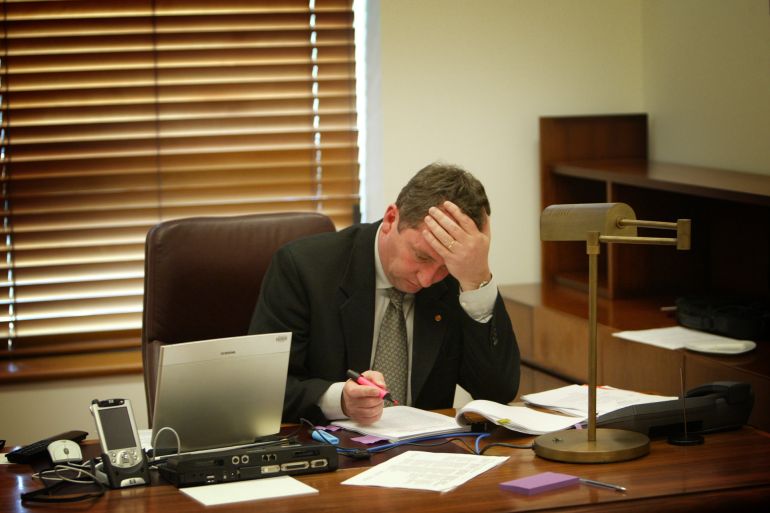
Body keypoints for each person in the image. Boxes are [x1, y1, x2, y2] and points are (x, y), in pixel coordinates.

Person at [249, 162, 520, 425]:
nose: (427, 280)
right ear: (392, 218)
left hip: (426, 454)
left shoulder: (456, 279)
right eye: (421, 256)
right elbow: (263, 390)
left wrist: (477, 280)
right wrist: (339, 400)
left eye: (444, 266)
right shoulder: (304, 269)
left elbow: (497, 393)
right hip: (331, 450)